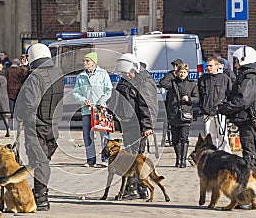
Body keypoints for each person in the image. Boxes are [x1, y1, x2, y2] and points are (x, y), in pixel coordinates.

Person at [14, 43, 64, 211]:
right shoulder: (58, 73)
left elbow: (30, 102)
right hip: (53, 125)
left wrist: (19, 116)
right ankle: (41, 194)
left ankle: (41, 197)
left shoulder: (36, 76)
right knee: (44, 161)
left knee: (40, 162)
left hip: (36, 126)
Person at [218, 46, 256, 209]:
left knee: (250, 160)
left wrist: (226, 108)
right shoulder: (250, 76)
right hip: (250, 122)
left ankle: (248, 197)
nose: (236, 64)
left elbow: (243, 100)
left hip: (252, 123)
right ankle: (250, 198)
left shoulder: (250, 77)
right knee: (250, 158)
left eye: (238, 60)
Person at [109, 53, 159, 200]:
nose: (125, 75)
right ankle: (140, 188)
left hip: (138, 125)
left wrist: (147, 125)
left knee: (132, 158)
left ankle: (133, 189)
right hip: (129, 123)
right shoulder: (128, 79)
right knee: (133, 156)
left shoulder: (143, 81)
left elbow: (147, 105)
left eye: (126, 72)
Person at [73, 52, 113, 168]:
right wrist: (83, 100)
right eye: (84, 61)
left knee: (105, 135)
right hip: (86, 111)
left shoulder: (102, 74)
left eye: (87, 61)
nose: (85, 63)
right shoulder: (81, 76)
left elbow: (108, 90)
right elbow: (76, 92)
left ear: (93, 63)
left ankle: (106, 159)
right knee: (87, 136)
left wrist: (101, 103)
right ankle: (91, 159)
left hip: (100, 110)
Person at [159, 63, 199, 168]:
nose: (182, 74)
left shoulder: (192, 84)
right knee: (175, 139)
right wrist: (172, 74)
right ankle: (178, 158)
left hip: (185, 115)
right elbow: (162, 83)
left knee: (184, 138)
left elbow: (197, 98)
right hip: (173, 114)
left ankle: (183, 160)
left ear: (187, 73)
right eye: (180, 72)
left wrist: (189, 99)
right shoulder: (172, 83)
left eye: (184, 72)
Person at [198, 57, 232, 153]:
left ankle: (226, 153)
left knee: (223, 135)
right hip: (207, 112)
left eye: (211, 65)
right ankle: (211, 153)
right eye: (207, 65)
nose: (209, 68)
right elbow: (199, 95)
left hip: (220, 111)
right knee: (209, 135)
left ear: (217, 66)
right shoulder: (202, 79)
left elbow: (229, 94)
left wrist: (225, 106)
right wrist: (202, 107)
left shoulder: (224, 78)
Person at [164, 58, 184, 146]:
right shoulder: (171, 75)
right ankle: (172, 139)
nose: (175, 67)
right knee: (171, 123)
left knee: (183, 124)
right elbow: (163, 83)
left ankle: (181, 140)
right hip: (171, 102)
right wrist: (172, 75)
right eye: (174, 66)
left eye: (176, 65)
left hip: (182, 103)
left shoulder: (184, 74)